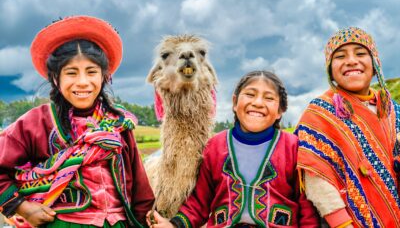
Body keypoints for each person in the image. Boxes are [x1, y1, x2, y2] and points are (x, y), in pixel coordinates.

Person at [0, 16, 154, 227]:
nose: (83, 82)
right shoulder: (36, 123)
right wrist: (22, 207)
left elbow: (139, 188)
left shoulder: (118, 124)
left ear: (104, 77)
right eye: (71, 73)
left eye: (91, 72)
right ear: (56, 78)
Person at [147, 70, 319, 227]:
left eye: (269, 98)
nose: (258, 103)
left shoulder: (292, 147)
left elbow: (306, 206)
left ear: (280, 111)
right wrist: (175, 225)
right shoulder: (215, 146)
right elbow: (199, 203)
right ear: (235, 102)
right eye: (250, 94)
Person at [295, 27, 400, 227]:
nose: (351, 60)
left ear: (375, 63)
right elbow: (317, 176)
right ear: (330, 70)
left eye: (360, 53)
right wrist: (341, 223)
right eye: (340, 56)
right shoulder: (319, 113)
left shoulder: (392, 111)